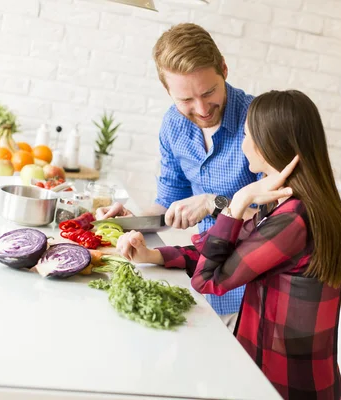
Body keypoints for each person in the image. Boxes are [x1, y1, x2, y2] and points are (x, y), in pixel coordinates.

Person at [116, 90, 341, 400]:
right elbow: (227, 251)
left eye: (246, 135)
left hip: (281, 385)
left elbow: (209, 279)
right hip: (285, 379)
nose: (242, 144)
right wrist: (152, 255)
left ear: (268, 144)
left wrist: (239, 201)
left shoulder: (294, 220)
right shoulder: (290, 205)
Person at [96, 23, 259, 329]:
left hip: (254, 294)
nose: (201, 108)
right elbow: (168, 205)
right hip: (206, 280)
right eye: (186, 99)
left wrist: (214, 202)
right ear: (167, 91)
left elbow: (279, 222)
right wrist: (132, 220)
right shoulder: (174, 125)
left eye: (209, 91)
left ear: (223, 68)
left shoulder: (259, 121)